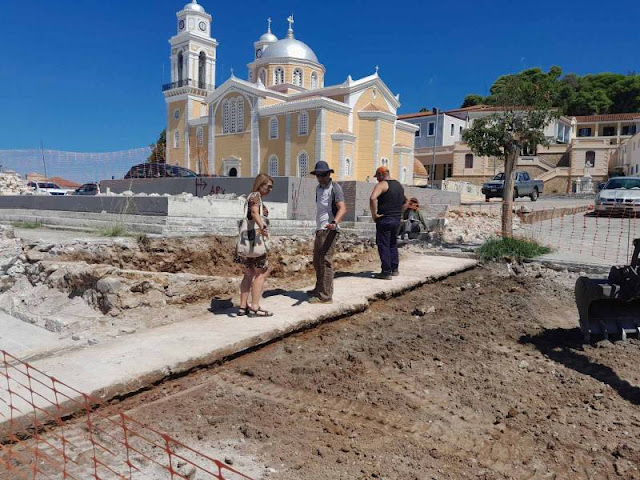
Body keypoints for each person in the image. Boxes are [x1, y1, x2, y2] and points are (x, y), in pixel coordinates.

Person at [234, 173, 274, 317]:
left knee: (249, 273)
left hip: (247, 243)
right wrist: (262, 226)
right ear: (260, 184)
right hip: (255, 242)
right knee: (262, 272)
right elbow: (255, 213)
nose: (270, 190)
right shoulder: (256, 197)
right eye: (268, 186)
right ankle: (255, 306)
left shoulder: (250, 197)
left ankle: (242, 306)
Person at [307, 161, 347, 304]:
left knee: (326, 261)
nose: (321, 177)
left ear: (329, 174)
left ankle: (326, 295)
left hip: (329, 230)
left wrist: (335, 222)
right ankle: (319, 288)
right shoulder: (318, 188)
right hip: (320, 229)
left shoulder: (335, 188)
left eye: (323, 175)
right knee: (317, 261)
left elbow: (342, 208)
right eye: (318, 175)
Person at [370, 166, 408, 279]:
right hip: (396, 219)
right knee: (392, 244)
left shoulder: (382, 184)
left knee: (383, 245)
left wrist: (374, 215)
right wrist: (400, 213)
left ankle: (386, 272)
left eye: (377, 176)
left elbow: (372, 198)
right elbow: (407, 201)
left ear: (382, 174)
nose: (377, 179)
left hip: (385, 219)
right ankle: (394, 269)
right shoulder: (398, 185)